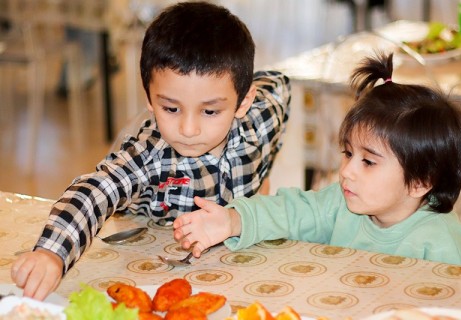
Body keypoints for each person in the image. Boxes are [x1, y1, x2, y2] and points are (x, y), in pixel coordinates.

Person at [11, 1, 290, 300]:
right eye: (171, 108)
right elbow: (95, 191)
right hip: (153, 268)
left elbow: (279, 85)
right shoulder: (150, 155)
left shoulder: (259, 116)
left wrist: (263, 174)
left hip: (240, 272)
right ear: (149, 98)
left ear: (243, 102)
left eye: (209, 111)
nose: (188, 129)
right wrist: (51, 253)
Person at [173, 52, 461, 268]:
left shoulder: (445, 249)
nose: (346, 171)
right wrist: (232, 220)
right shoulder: (340, 204)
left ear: (420, 182)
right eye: (348, 154)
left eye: (368, 162)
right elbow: (291, 212)